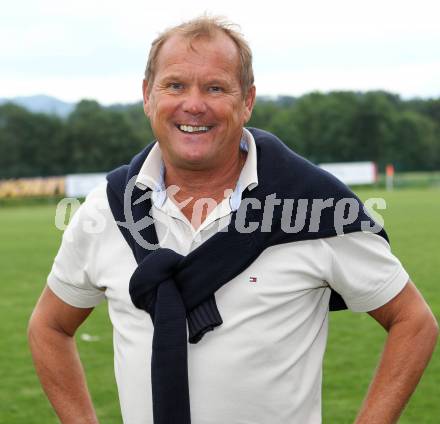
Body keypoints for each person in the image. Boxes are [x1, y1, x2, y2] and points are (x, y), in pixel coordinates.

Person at [28, 16, 438, 424]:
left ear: (247, 101)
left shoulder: (315, 205)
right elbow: (48, 326)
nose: (193, 104)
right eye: (174, 85)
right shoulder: (105, 211)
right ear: (147, 96)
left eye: (215, 88)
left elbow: (414, 322)